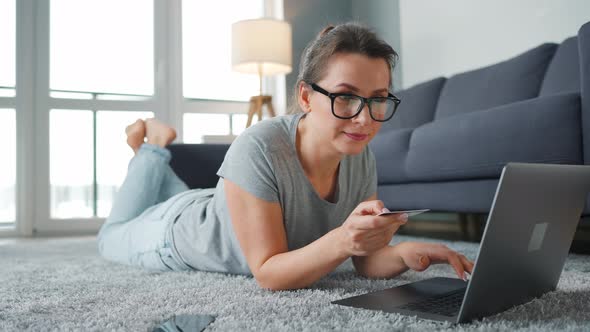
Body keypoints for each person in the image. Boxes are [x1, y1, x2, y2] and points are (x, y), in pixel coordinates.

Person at [97, 22, 474, 291]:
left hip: (215, 205)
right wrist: (342, 240)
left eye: (377, 99)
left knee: (186, 196)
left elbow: (364, 261)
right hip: (173, 235)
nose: (364, 118)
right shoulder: (259, 146)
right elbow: (268, 272)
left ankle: (156, 158)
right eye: (345, 96)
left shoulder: (359, 154)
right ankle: (150, 149)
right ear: (307, 97)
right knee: (110, 236)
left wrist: (406, 252)